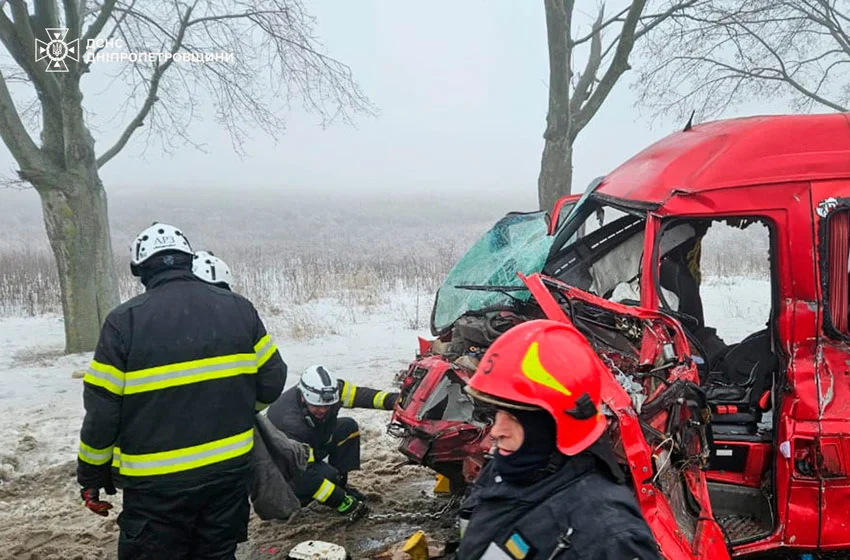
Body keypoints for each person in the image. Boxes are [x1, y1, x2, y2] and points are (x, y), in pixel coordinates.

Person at [76, 222, 287, 560]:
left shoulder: (123, 322)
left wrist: (91, 474)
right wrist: (234, 407)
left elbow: (102, 412)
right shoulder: (238, 308)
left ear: (141, 270)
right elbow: (273, 380)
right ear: (189, 261)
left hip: (156, 485)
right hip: (227, 472)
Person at [457, 319, 661, 560]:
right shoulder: (506, 472)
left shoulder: (610, 536)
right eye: (497, 413)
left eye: (513, 417)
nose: (496, 431)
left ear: (552, 425)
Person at [265, 364, 400, 519]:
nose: (323, 411)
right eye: (317, 407)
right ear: (303, 397)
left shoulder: (330, 392)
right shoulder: (288, 421)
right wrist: (343, 502)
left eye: (327, 406)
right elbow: (304, 476)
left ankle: (339, 486)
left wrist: (394, 401)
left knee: (347, 427)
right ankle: (323, 494)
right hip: (283, 472)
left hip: (311, 444)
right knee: (327, 476)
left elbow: (362, 396)